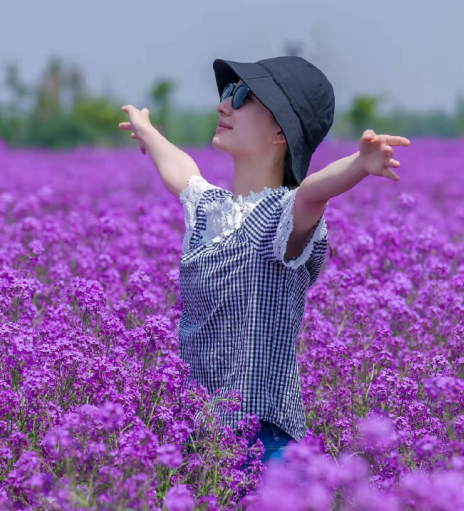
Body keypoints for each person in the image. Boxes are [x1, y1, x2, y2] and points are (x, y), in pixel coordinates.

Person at [119, 55, 410, 468]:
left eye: (241, 95)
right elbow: (182, 172)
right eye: (225, 92)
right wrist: (148, 132)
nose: (224, 105)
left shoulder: (280, 219)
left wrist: (359, 165)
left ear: (280, 132)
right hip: (196, 442)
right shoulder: (209, 210)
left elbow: (312, 192)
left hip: (265, 445)